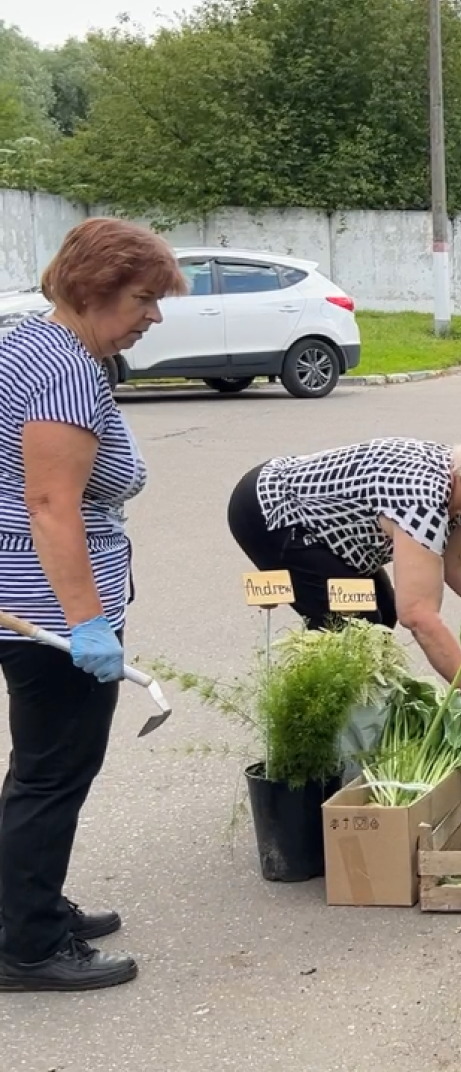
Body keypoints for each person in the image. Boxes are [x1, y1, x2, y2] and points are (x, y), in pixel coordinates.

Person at [0, 217, 189, 992]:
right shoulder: (65, 371)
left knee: (38, 769)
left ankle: (25, 909)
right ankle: (28, 948)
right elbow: (51, 504)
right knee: (53, 775)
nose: (154, 316)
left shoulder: (27, 343)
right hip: (49, 612)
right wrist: (85, 622)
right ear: (92, 288)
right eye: (143, 298)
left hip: (24, 593)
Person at [225, 431, 461, 702]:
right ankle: (317, 720)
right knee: (354, 628)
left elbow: (458, 563)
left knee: (383, 614)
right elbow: (419, 616)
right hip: (273, 513)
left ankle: (351, 711)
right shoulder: (422, 499)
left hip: (329, 529)